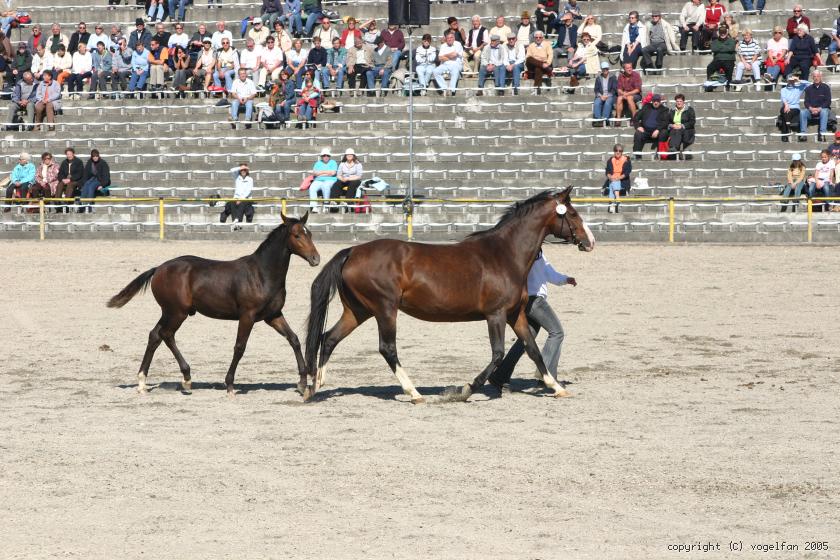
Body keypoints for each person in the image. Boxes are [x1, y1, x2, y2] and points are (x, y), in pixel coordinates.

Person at [486, 250, 576, 392]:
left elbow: (547, 271)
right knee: (557, 332)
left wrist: (565, 279)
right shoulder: (527, 250)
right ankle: (546, 375)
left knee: (526, 339)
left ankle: (500, 375)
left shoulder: (537, 250)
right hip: (534, 300)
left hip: (531, 299)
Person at [631, 93, 669, 159]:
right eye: (654, 101)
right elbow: (636, 118)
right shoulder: (646, 107)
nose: (656, 103)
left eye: (657, 101)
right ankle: (637, 156)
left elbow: (665, 122)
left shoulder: (664, 110)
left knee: (664, 132)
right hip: (646, 130)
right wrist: (638, 126)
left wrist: (658, 130)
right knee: (638, 133)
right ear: (652, 101)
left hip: (657, 132)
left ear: (660, 101)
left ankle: (659, 154)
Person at [799, 71, 831, 142]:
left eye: (818, 76)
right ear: (812, 78)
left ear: (821, 77)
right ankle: (803, 134)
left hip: (822, 109)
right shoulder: (808, 89)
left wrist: (819, 108)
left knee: (824, 111)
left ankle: (822, 133)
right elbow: (806, 102)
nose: (816, 78)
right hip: (811, 110)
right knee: (802, 112)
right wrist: (811, 108)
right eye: (815, 76)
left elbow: (828, 102)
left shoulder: (826, 88)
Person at [220, 163, 254, 228]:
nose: (243, 171)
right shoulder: (237, 177)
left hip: (246, 199)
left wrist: (241, 199)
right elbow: (231, 170)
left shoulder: (250, 179)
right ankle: (235, 222)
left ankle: (238, 220)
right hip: (236, 198)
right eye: (242, 170)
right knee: (231, 203)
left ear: (247, 171)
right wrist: (241, 167)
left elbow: (248, 191)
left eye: (244, 170)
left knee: (242, 203)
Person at [434, 31, 464, 96]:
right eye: (448, 38)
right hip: (445, 64)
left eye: (451, 37)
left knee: (455, 71)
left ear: (454, 38)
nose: (450, 39)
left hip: (456, 64)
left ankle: (451, 90)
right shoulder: (443, 45)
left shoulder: (458, 44)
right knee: (435, 71)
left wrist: (444, 56)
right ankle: (445, 88)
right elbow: (439, 58)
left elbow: (454, 55)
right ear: (446, 39)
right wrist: (449, 56)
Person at [778, 74, 807, 142]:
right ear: (787, 81)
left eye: (792, 81)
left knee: (786, 114)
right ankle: (788, 126)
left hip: (795, 107)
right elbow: (783, 98)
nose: (791, 82)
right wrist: (786, 105)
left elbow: (808, 84)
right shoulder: (783, 90)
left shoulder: (798, 89)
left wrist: (798, 80)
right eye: (790, 81)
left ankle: (785, 134)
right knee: (785, 111)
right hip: (786, 106)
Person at [80, 149, 110, 213]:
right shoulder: (89, 163)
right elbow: (85, 175)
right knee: (86, 185)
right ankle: (82, 206)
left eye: (96, 156)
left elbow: (106, 176)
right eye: (93, 156)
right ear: (92, 157)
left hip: (100, 180)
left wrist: (102, 185)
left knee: (91, 186)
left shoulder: (103, 163)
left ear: (98, 156)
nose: (95, 157)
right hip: (92, 179)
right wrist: (83, 184)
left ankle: (89, 206)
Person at [706, 25, 735, 89]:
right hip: (717, 60)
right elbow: (714, 49)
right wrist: (725, 47)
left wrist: (719, 48)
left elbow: (731, 49)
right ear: (718, 33)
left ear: (727, 33)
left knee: (729, 69)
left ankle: (728, 85)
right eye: (721, 33)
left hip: (729, 60)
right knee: (709, 68)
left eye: (724, 32)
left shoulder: (731, 41)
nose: (722, 34)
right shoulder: (715, 41)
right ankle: (711, 84)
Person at [604, 143, 631, 213]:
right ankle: (617, 200)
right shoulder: (610, 160)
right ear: (614, 151)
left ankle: (612, 204)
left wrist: (618, 178)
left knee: (613, 183)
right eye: (616, 150)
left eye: (620, 150)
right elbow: (607, 171)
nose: (618, 152)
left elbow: (627, 172)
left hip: (622, 180)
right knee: (613, 181)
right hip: (612, 179)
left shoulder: (626, 160)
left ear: (622, 152)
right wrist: (610, 176)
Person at [309, 147, 337, 211]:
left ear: (329, 156)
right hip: (318, 180)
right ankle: (314, 206)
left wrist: (321, 172)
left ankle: (326, 204)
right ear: (322, 156)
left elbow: (333, 173)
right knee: (312, 188)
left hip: (330, 180)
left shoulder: (333, 162)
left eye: (327, 155)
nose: (326, 157)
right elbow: (315, 173)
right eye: (324, 155)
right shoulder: (318, 163)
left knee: (325, 185)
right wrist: (327, 172)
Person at [667, 94, 696, 158]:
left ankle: (674, 148)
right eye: (677, 101)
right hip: (674, 128)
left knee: (678, 130)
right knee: (675, 130)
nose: (679, 103)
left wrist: (682, 126)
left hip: (686, 129)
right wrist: (671, 125)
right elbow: (668, 121)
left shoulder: (689, 110)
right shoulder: (672, 110)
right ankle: (673, 149)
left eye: (680, 101)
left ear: (683, 102)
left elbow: (692, 122)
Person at [56, 147, 84, 212]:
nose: (69, 155)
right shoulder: (64, 162)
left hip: (75, 180)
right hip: (65, 179)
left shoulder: (79, 162)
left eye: (70, 154)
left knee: (70, 185)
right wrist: (63, 179)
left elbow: (79, 174)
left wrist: (70, 179)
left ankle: (66, 203)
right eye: (67, 154)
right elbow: (60, 173)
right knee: (59, 185)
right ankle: (57, 203)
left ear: (73, 154)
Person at [593, 61, 617, 127]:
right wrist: (601, 96)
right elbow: (596, 89)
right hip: (601, 95)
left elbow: (614, 89)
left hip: (610, 95)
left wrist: (607, 96)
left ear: (608, 69)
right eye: (603, 69)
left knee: (608, 102)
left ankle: (605, 119)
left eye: (606, 69)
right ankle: (598, 120)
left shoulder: (613, 77)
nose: (605, 70)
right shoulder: (598, 78)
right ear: (601, 70)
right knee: (597, 102)